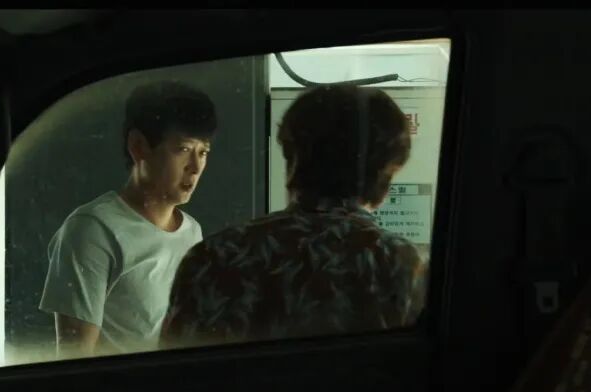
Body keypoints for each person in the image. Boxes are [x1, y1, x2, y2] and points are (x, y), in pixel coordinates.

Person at [161, 84, 426, 349]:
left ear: (293, 158)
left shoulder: (215, 256)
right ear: (386, 171)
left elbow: (175, 367)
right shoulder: (403, 265)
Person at [39, 80, 217, 358]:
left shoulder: (192, 231)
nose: (195, 167)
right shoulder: (93, 230)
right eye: (182, 149)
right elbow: (74, 357)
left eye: (203, 152)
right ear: (138, 146)